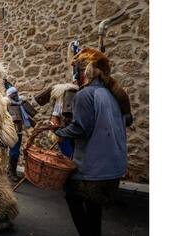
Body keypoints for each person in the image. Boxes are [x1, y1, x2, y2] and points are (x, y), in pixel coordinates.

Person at [53, 48, 128, 236]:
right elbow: (127, 121)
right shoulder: (113, 94)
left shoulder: (85, 94)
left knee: (72, 195)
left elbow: (81, 128)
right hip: (114, 167)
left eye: (76, 70)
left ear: (84, 71)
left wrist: (60, 131)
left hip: (93, 168)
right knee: (93, 206)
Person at [6, 86, 32, 182]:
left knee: (15, 153)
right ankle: (10, 172)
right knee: (13, 152)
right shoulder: (6, 105)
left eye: (16, 93)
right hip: (9, 132)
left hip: (19, 132)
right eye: (13, 95)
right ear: (9, 96)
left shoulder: (20, 104)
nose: (16, 96)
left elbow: (26, 116)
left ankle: (11, 171)